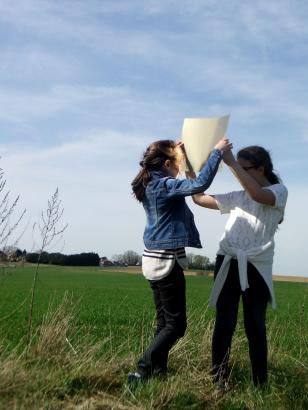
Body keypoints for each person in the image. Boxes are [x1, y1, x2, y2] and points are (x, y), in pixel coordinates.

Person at [128, 137, 232, 384]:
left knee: (164, 323)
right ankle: (142, 370)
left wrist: (183, 158)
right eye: (176, 163)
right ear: (166, 164)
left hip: (153, 260)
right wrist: (216, 152)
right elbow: (199, 185)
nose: (179, 167)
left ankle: (158, 372)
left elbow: (191, 182)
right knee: (176, 326)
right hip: (166, 262)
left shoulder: (151, 184)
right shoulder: (163, 186)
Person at [192, 145, 288, 390]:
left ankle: (260, 384)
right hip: (227, 261)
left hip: (257, 266)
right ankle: (218, 381)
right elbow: (199, 198)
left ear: (260, 169)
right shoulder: (237, 196)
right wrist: (190, 169)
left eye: (244, 169)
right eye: (237, 169)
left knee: (255, 325)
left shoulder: (279, 191)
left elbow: (257, 195)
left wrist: (232, 162)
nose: (238, 173)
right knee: (224, 324)